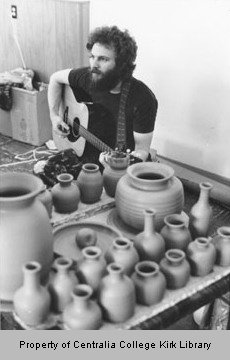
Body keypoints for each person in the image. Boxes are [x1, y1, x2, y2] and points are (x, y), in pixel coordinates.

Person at [48, 25, 158, 166]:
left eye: (103, 59)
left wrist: (120, 163)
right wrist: (54, 116)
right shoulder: (90, 77)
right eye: (92, 57)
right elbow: (55, 79)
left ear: (121, 64)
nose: (94, 65)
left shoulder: (142, 99)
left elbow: (141, 150)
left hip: (117, 162)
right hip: (85, 152)